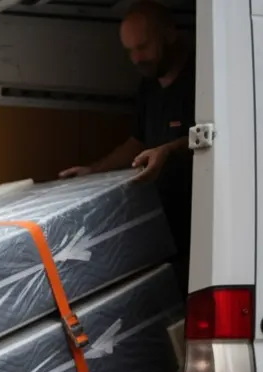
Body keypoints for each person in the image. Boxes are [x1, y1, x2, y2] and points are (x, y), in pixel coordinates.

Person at [59, 0, 194, 291]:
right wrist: (93, 171)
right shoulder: (148, 88)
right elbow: (137, 142)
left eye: (143, 47)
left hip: (199, 227)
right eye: (130, 51)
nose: (136, 58)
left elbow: (221, 135)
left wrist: (168, 150)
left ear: (169, 33)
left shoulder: (202, 78)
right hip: (160, 227)